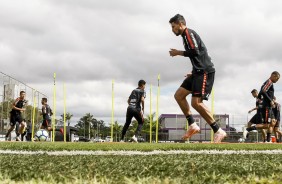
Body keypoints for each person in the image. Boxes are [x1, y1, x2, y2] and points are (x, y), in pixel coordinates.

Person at [168, 14, 226, 142]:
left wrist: (178, 53)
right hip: (197, 72)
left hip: (204, 71)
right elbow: (197, 56)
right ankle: (193, 125)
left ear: (180, 24)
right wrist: (193, 72)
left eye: (173, 26)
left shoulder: (189, 33)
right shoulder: (184, 36)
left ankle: (218, 130)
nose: (172, 30)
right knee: (179, 95)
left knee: (196, 103)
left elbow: (195, 51)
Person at [244, 71, 280, 142]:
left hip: (269, 107)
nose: (277, 80)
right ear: (273, 75)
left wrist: (261, 98)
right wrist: (270, 101)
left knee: (272, 123)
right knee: (267, 125)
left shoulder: (269, 83)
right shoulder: (269, 82)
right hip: (267, 107)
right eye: (277, 78)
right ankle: (248, 129)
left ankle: (268, 140)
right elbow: (263, 90)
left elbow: (261, 91)